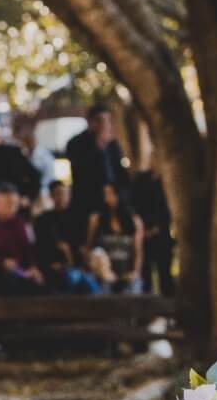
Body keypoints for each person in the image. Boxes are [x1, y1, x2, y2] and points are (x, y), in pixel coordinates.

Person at [0, 182, 45, 295]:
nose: (13, 208)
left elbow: (27, 248)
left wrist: (32, 267)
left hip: (19, 270)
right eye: (9, 203)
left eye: (15, 204)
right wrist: (1, 262)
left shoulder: (18, 222)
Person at [35, 181, 100, 294]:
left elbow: (83, 247)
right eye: (59, 193)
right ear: (51, 196)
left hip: (77, 267)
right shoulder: (43, 220)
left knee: (88, 284)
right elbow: (41, 248)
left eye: (66, 194)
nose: (63, 197)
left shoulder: (78, 219)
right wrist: (52, 264)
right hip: (54, 268)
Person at [64, 104, 129, 217]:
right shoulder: (75, 144)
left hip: (112, 201)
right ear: (91, 122)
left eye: (108, 121)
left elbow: (119, 171)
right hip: (88, 202)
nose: (106, 125)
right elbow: (82, 172)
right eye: (102, 121)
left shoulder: (112, 145)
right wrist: (99, 147)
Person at [86, 181, 145, 294]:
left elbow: (138, 251)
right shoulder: (96, 220)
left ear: (119, 195)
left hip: (126, 273)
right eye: (105, 194)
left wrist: (135, 272)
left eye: (111, 194)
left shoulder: (134, 220)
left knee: (132, 292)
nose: (107, 198)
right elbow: (89, 248)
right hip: (103, 275)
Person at [133, 167, 175, 296]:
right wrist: (142, 229)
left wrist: (157, 228)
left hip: (162, 235)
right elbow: (135, 204)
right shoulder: (141, 180)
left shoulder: (168, 182)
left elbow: (168, 212)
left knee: (165, 274)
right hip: (144, 233)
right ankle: (147, 310)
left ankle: (167, 309)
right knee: (146, 276)